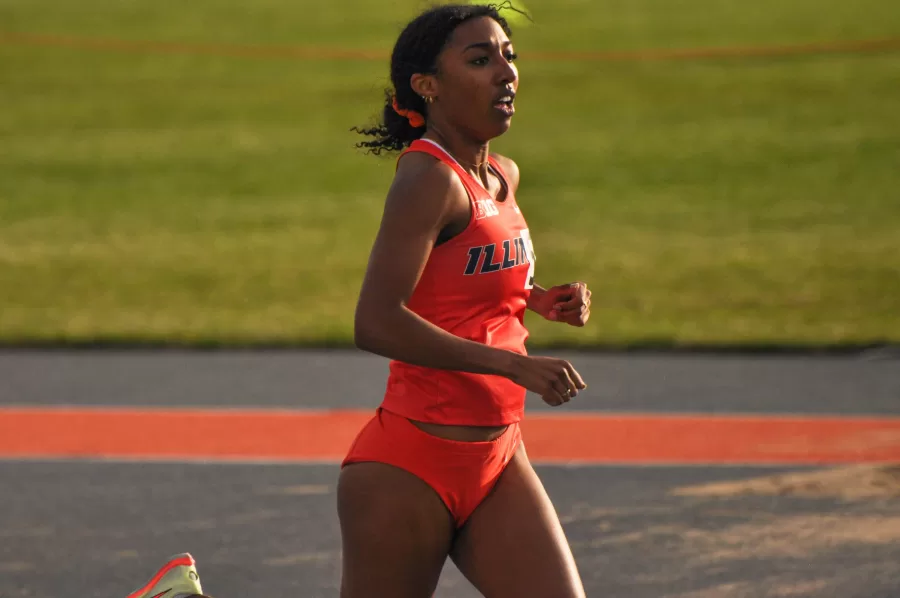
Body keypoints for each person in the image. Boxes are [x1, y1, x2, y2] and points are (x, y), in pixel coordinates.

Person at [126, 3, 592, 598]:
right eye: (480, 60)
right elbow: (376, 322)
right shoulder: (429, 179)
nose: (505, 72)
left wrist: (539, 298)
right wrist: (514, 365)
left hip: (498, 455)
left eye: (509, 55)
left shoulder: (501, 175)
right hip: (412, 468)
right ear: (428, 86)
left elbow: (467, 278)